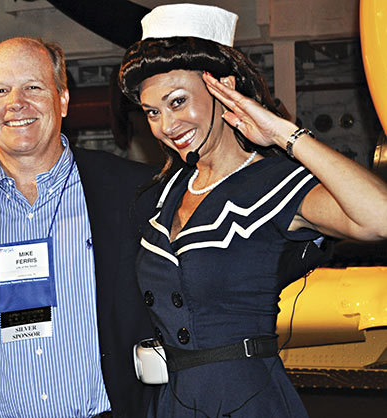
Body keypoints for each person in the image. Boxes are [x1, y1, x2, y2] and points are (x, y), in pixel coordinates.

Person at [118, 4, 387, 417]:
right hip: (172, 403)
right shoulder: (163, 193)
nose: (166, 125)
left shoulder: (276, 181)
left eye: (177, 102)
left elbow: (380, 218)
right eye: (153, 112)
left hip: (247, 401)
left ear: (224, 88)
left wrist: (282, 133)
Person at [0, 37, 159, 418]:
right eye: (0, 90)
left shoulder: (135, 192)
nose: (16, 103)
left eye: (33, 87)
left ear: (62, 99)